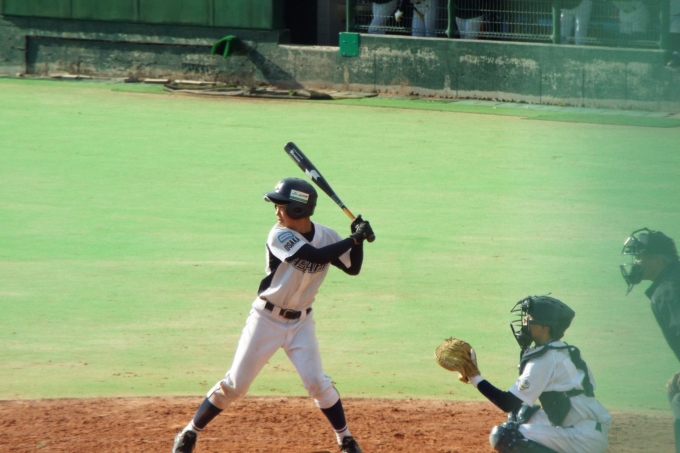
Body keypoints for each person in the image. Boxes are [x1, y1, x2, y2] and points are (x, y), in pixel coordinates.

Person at [171, 177, 374, 453]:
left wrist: (358, 242)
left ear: (298, 209)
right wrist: (354, 238)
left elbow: (352, 268)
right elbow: (313, 257)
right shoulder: (279, 235)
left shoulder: (328, 236)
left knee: (318, 383)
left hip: (302, 323)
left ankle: (346, 439)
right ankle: (189, 432)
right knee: (235, 385)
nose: (277, 212)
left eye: (281, 206)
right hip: (266, 320)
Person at [462, 295, 612, 453]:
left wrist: (474, 377)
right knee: (520, 414)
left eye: (529, 318)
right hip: (587, 428)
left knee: (506, 436)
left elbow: (507, 402)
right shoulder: (564, 351)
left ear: (544, 327)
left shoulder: (545, 360)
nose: (524, 322)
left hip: (581, 438)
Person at [620, 228, 680, 453]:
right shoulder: (673, 280)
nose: (636, 263)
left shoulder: (669, 292)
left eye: (640, 257)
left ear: (657, 260)